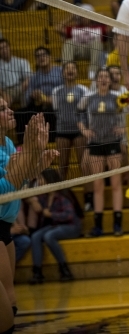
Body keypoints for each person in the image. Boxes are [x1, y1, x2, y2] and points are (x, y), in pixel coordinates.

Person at [0, 108, 58, 333]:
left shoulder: (6, 142)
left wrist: (36, 160)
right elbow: (4, 188)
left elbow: (19, 180)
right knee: (5, 310)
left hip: (5, 226)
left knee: (10, 299)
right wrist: (31, 151)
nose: (10, 110)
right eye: (2, 109)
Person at [78, 69, 124, 237]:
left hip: (113, 143)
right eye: (101, 77)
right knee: (97, 185)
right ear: (96, 80)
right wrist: (84, 130)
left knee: (116, 184)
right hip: (96, 144)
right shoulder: (89, 98)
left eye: (106, 77)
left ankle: (117, 225)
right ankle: (98, 226)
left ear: (110, 81)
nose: (103, 79)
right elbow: (78, 114)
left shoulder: (117, 98)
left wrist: (123, 128)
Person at [28, 169, 82, 284]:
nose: (40, 182)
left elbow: (70, 215)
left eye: (42, 179)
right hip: (55, 225)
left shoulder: (63, 195)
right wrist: (33, 202)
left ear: (49, 180)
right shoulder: (44, 196)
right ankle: (37, 272)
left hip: (71, 226)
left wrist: (52, 215)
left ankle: (64, 270)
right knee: (35, 236)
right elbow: (30, 196)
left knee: (49, 236)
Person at [52, 62, 93, 209]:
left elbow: (85, 112)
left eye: (73, 68)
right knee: (62, 166)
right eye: (67, 69)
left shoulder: (83, 90)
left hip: (79, 132)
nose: (70, 70)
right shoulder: (56, 91)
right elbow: (56, 110)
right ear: (62, 73)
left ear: (76, 72)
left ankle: (89, 199)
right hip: (62, 132)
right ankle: (61, 200)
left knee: (84, 166)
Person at [16, 47, 62, 143]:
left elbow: (65, 91)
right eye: (38, 56)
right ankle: (23, 144)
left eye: (44, 55)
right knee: (20, 113)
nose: (41, 58)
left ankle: (52, 142)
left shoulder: (60, 72)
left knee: (50, 113)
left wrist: (50, 99)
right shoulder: (34, 76)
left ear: (50, 57)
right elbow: (27, 96)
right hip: (39, 106)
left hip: (56, 105)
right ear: (36, 60)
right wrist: (32, 95)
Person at [55, 3, 108, 80]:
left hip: (93, 51)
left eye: (86, 15)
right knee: (68, 42)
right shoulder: (74, 28)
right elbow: (57, 28)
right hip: (78, 51)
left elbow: (112, 28)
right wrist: (71, 18)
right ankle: (66, 70)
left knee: (97, 43)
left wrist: (101, 17)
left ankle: (93, 72)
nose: (84, 17)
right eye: (82, 15)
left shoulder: (99, 28)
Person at [0, 38, 30, 108]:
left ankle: (25, 116)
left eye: (5, 47)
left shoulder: (22, 62)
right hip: (4, 90)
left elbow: (28, 77)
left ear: (10, 47)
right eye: (1, 48)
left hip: (20, 88)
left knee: (27, 93)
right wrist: (4, 94)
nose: (4, 50)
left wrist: (24, 86)